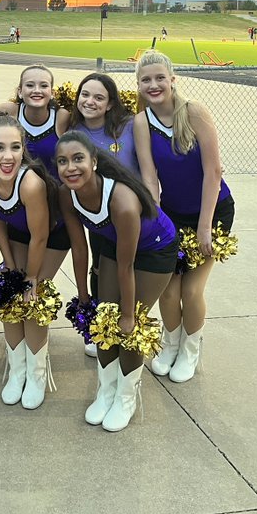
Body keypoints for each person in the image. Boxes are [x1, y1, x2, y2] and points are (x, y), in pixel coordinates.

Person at [56, 131, 177, 431]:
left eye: (78, 158)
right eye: (62, 161)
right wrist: (84, 295)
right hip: (114, 245)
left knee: (129, 324)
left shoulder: (122, 201)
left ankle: (126, 397)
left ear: (94, 162)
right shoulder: (66, 194)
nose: (70, 167)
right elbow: (79, 248)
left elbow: (127, 266)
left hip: (155, 249)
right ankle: (106, 391)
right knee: (103, 317)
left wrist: (127, 315)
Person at [133, 50, 235, 383]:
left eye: (159, 78)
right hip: (172, 214)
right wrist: (156, 221)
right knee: (167, 290)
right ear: (139, 85)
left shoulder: (194, 112)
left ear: (172, 79)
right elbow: (149, 177)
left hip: (212, 211)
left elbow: (213, 172)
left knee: (191, 291)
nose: (153, 85)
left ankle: (190, 350)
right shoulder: (142, 122)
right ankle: (171, 344)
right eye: (146, 80)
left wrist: (205, 227)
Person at [0, 113, 69, 409]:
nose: (8, 156)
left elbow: (40, 237)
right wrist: (9, 263)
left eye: (15, 147)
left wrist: (31, 278)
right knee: (9, 294)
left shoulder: (31, 184)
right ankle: (17, 370)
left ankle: (36, 375)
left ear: (24, 149)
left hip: (51, 236)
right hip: (16, 232)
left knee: (33, 301)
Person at [69, 72, 139, 356]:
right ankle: (98, 325)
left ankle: (129, 321)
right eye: (85, 95)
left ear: (110, 104)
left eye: (99, 97)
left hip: (131, 214)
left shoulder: (129, 126)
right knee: (100, 267)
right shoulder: (72, 130)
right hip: (98, 217)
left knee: (129, 267)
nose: (90, 101)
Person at [0, 65, 70, 180]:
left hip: (53, 189)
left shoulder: (61, 117)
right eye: (30, 85)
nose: (37, 90)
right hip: (16, 188)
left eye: (44, 86)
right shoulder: (9, 112)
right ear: (20, 92)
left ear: (52, 93)